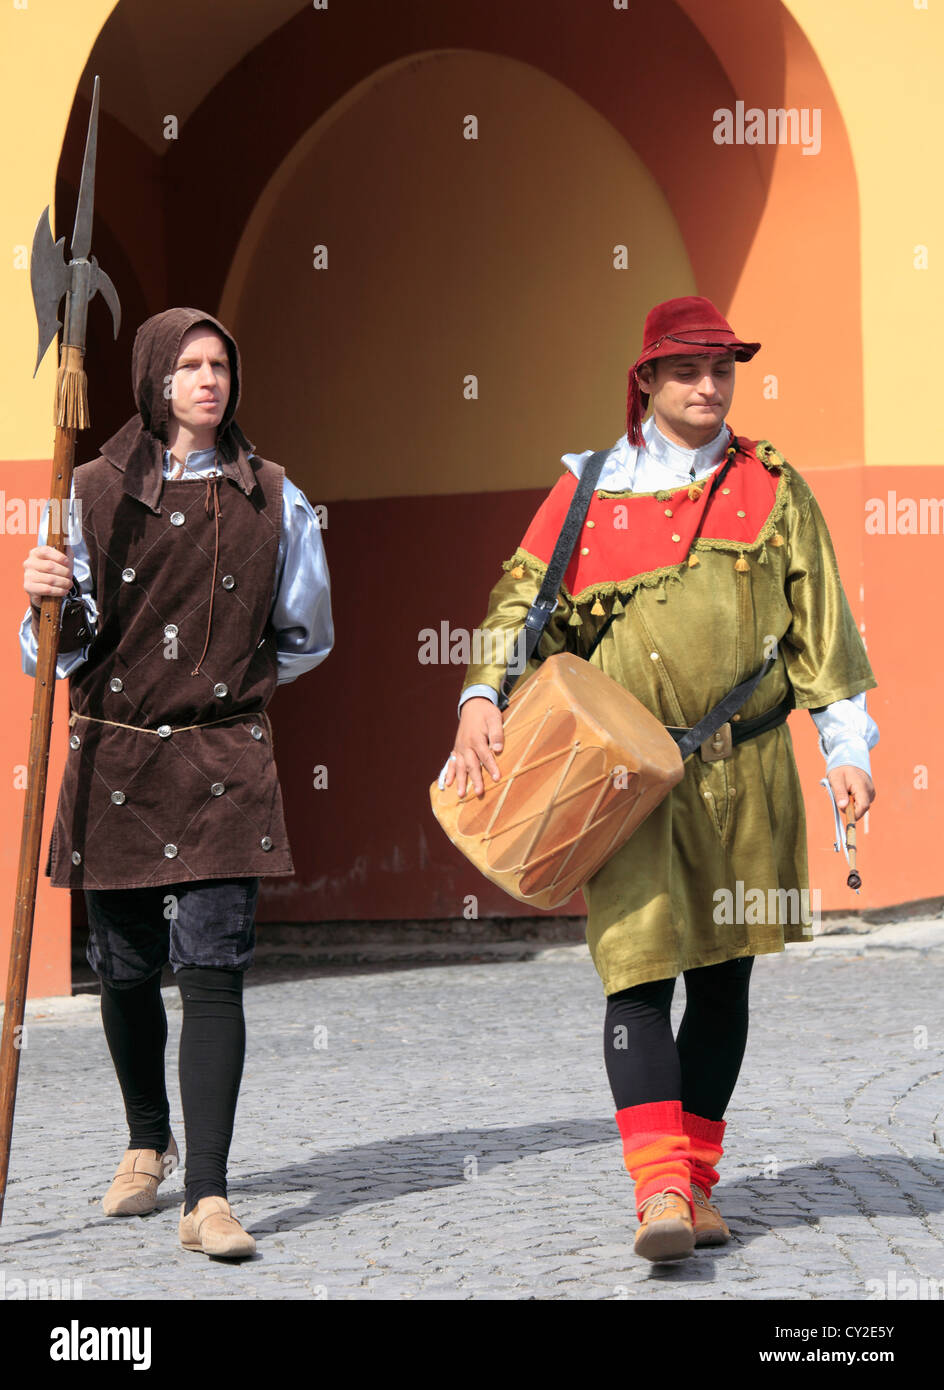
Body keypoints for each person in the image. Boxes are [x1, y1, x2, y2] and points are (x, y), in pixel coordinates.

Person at [440, 296, 878, 1262]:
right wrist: (481, 693)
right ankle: (661, 1192)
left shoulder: (775, 487)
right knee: (637, 975)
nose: (708, 387)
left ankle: (704, 1181)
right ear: (647, 381)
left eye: (722, 369)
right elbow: (523, 603)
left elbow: (825, 631)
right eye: (687, 370)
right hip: (626, 783)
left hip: (751, 772)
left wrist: (847, 752)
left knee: (724, 982)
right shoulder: (589, 488)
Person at [20, 307, 333, 1259]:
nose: (209, 380)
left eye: (221, 365)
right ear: (155, 377)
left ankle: (208, 1196)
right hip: (114, 756)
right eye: (190, 365)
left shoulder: (275, 496)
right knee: (124, 972)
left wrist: (226, 690)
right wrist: (42, 600)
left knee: (213, 974)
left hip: (223, 761)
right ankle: (145, 1141)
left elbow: (307, 634)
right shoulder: (86, 492)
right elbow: (52, 650)